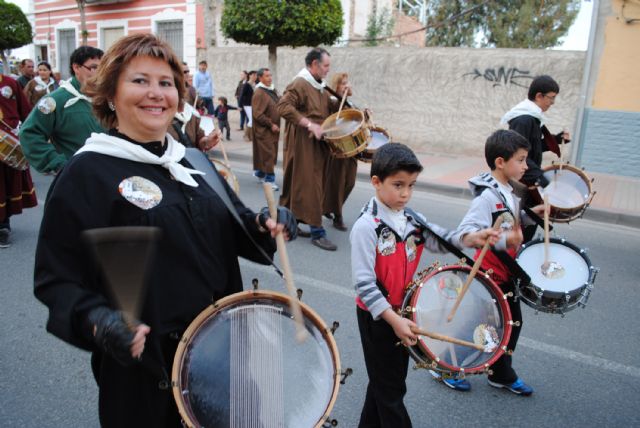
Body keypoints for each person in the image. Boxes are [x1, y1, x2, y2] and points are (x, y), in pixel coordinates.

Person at [33, 33, 297, 427]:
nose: (156, 93)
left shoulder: (190, 161)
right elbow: (56, 280)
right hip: (147, 371)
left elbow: (235, 226)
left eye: (166, 83)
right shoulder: (86, 172)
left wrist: (265, 223)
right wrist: (100, 322)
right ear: (109, 95)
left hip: (220, 354)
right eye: (140, 81)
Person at [351, 143, 498, 427]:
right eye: (398, 185)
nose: (405, 193)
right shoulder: (366, 227)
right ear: (376, 182)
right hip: (378, 317)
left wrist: (469, 239)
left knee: (386, 382)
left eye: (411, 185)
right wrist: (394, 320)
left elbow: (441, 239)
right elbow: (365, 286)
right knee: (391, 391)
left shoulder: (411, 220)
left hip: (402, 313)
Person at [452, 129, 546, 396]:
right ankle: (446, 366)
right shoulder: (487, 197)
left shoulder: (508, 191)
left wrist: (528, 217)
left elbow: (507, 222)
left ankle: (499, 372)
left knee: (509, 323)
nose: (526, 166)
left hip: (506, 270)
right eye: (521, 159)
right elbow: (465, 233)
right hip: (489, 271)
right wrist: (505, 239)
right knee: (490, 324)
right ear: (500, 162)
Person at [277, 47, 345, 251]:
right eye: (325, 66)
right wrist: (309, 124)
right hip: (303, 142)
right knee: (311, 184)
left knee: (300, 184)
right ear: (314, 64)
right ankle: (317, 231)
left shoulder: (319, 85)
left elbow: (325, 107)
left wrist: (341, 97)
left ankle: (290, 223)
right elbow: (283, 107)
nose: (327, 70)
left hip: (318, 143)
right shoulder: (300, 83)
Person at [19, 46, 104, 174]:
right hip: (76, 179)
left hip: (107, 175)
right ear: (76, 68)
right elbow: (29, 134)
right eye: (93, 67)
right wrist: (58, 163)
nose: (99, 74)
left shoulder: (107, 98)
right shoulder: (55, 100)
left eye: (103, 69)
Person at [501, 75, 571, 189]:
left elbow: (532, 148)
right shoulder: (523, 120)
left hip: (526, 177)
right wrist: (538, 176)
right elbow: (517, 154)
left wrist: (556, 140)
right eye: (551, 97)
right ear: (539, 96)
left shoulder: (532, 117)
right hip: (520, 180)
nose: (553, 102)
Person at [0, 73, 37, 248]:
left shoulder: (10, 83)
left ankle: (3, 225)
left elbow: (26, 113)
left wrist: (27, 134)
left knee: (6, 185)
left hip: (9, 143)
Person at [323, 72, 357, 231]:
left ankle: (328, 207)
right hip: (338, 149)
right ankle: (337, 216)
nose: (346, 85)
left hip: (352, 149)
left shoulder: (349, 103)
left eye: (347, 82)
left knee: (349, 183)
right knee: (338, 184)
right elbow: (335, 117)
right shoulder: (333, 102)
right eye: (343, 83)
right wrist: (343, 97)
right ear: (336, 86)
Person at [251, 67, 280, 190]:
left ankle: (260, 173)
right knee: (269, 154)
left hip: (272, 131)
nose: (270, 78)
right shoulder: (259, 93)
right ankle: (270, 180)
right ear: (260, 78)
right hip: (265, 130)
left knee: (268, 153)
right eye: (267, 76)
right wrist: (270, 124)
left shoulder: (271, 90)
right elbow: (257, 114)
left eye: (270, 75)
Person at [239, 70, 256, 141]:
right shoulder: (246, 84)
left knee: (252, 120)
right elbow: (242, 95)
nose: (255, 76)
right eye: (254, 75)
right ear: (250, 76)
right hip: (247, 104)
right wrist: (240, 105)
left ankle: (251, 136)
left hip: (254, 104)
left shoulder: (256, 84)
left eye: (256, 75)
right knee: (251, 120)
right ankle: (246, 135)